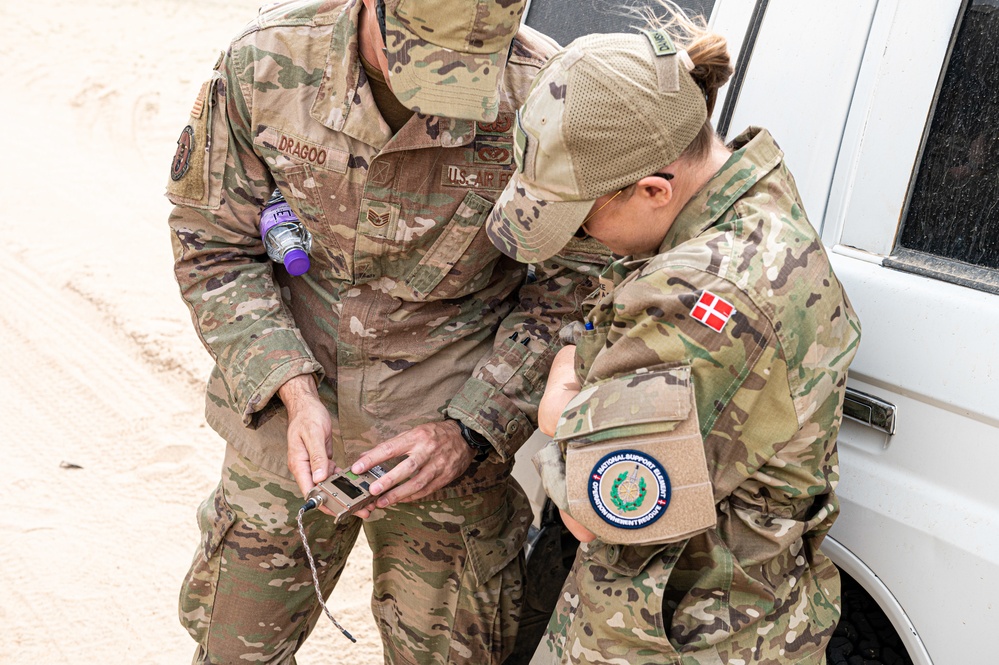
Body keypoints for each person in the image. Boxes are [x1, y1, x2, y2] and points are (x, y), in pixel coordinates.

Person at [165, 0, 608, 662]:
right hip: (284, 434)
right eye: (421, 52)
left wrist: (469, 429)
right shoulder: (264, 63)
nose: (437, 84)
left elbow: (571, 291)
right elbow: (212, 245)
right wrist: (289, 385)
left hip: (449, 451)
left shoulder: (544, 97)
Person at [486, 7, 862, 664]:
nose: (577, 245)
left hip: (677, 639)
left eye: (581, 222)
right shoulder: (751, 193)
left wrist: (560, 395)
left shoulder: (701, 297)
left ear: (655, 188)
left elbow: (591, 509)